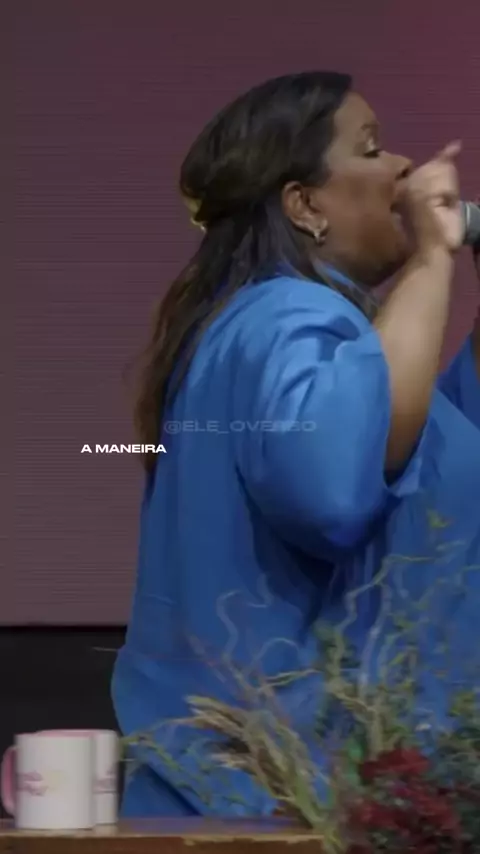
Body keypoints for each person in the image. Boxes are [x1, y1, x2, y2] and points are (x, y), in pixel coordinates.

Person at [112, 71, 480, 817]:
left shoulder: (317, 336)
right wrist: (431, 260)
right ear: (305, 205)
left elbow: (433, 453)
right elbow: (335, 488)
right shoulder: (283, 318)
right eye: (370, 149)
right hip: (274, 812)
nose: (402, 167)